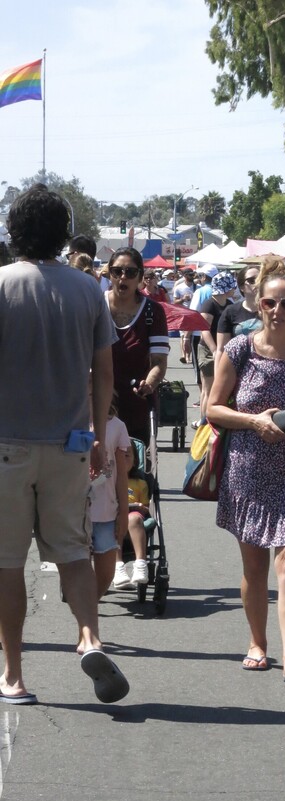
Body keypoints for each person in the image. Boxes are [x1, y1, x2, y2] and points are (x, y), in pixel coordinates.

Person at [0, 184, 128, 705]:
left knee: (7, 560)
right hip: (72, 441)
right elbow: (104, 374)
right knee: (74, 551)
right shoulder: (85, 291)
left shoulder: (2, 284)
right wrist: (96, 432)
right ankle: (90, 638)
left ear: (14, 229)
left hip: (8, 442)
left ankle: (13, 675)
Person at [207, 257, 285, 685]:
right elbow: (213, 408)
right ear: (259, 305)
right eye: (269, 303)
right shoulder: (240, 349)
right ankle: (258, 643)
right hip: (247, 468)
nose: (277, 310)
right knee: (255, 566)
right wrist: (256, 421)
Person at [105, 246, 170, 445]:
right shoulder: (95, 307)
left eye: (130, 272)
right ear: (110, 274)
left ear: (140, 277)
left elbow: (159, 361)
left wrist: (149, 383)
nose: (123, 277)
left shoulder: (152, 312)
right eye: (117, 271)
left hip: (137, 406)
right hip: (98, 405)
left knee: (137, 471)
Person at [88, 392, 131, 600]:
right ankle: (86, 614)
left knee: (106, 574)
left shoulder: (116, 426)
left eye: (92, 383)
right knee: (77, 569)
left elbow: (122, 474)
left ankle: (90, 601)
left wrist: (124, 511)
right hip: (74, 511)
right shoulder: (66, 423)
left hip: (106, 510)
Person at [195, 271, 236, 428]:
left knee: (219, 389)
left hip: (224, 352)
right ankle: (204, 424)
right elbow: (204, 329)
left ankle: (212, 422)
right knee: (208, 388)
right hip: (208, 350)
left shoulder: (229, 305)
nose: (234, 289)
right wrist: (214, 349)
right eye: (231, 286)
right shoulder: (209, 304)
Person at [112, 441, 152, 592]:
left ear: (135, 460)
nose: (122, 459)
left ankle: (141, 563)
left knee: (133, 519)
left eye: (127, 455)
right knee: (115, 520)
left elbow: (146, 507)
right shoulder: (109, 481)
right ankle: (118, 566)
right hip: (114, 516)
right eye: (118, 456)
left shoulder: (139, 483)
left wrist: (140, 507)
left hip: (134, 516)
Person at [216, 265, 261, 355]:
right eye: (252, 280)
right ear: (241, 286)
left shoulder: (272, 310)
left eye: (261, 279)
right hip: (236, 366)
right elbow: (221, 349)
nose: (257, 283)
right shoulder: (231, 311)